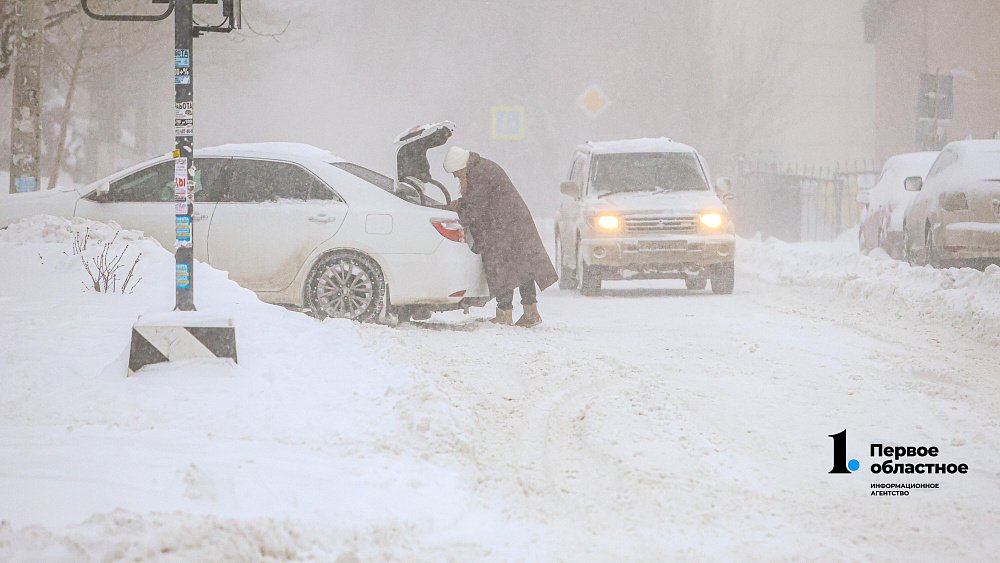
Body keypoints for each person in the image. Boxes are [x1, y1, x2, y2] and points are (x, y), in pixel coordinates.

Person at [443, 146, 558, 327]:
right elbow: (478, 199)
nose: (455, 177)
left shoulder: (479, 174)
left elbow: (475, 208)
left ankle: (504, 313)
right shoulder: (481, 168)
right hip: (512, 223)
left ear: (462, 168)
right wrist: (462, 204)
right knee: (523, 267)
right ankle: (531, 312)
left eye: (456, 174)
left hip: (503, 227)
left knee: (502, 268)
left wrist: (457, 213)